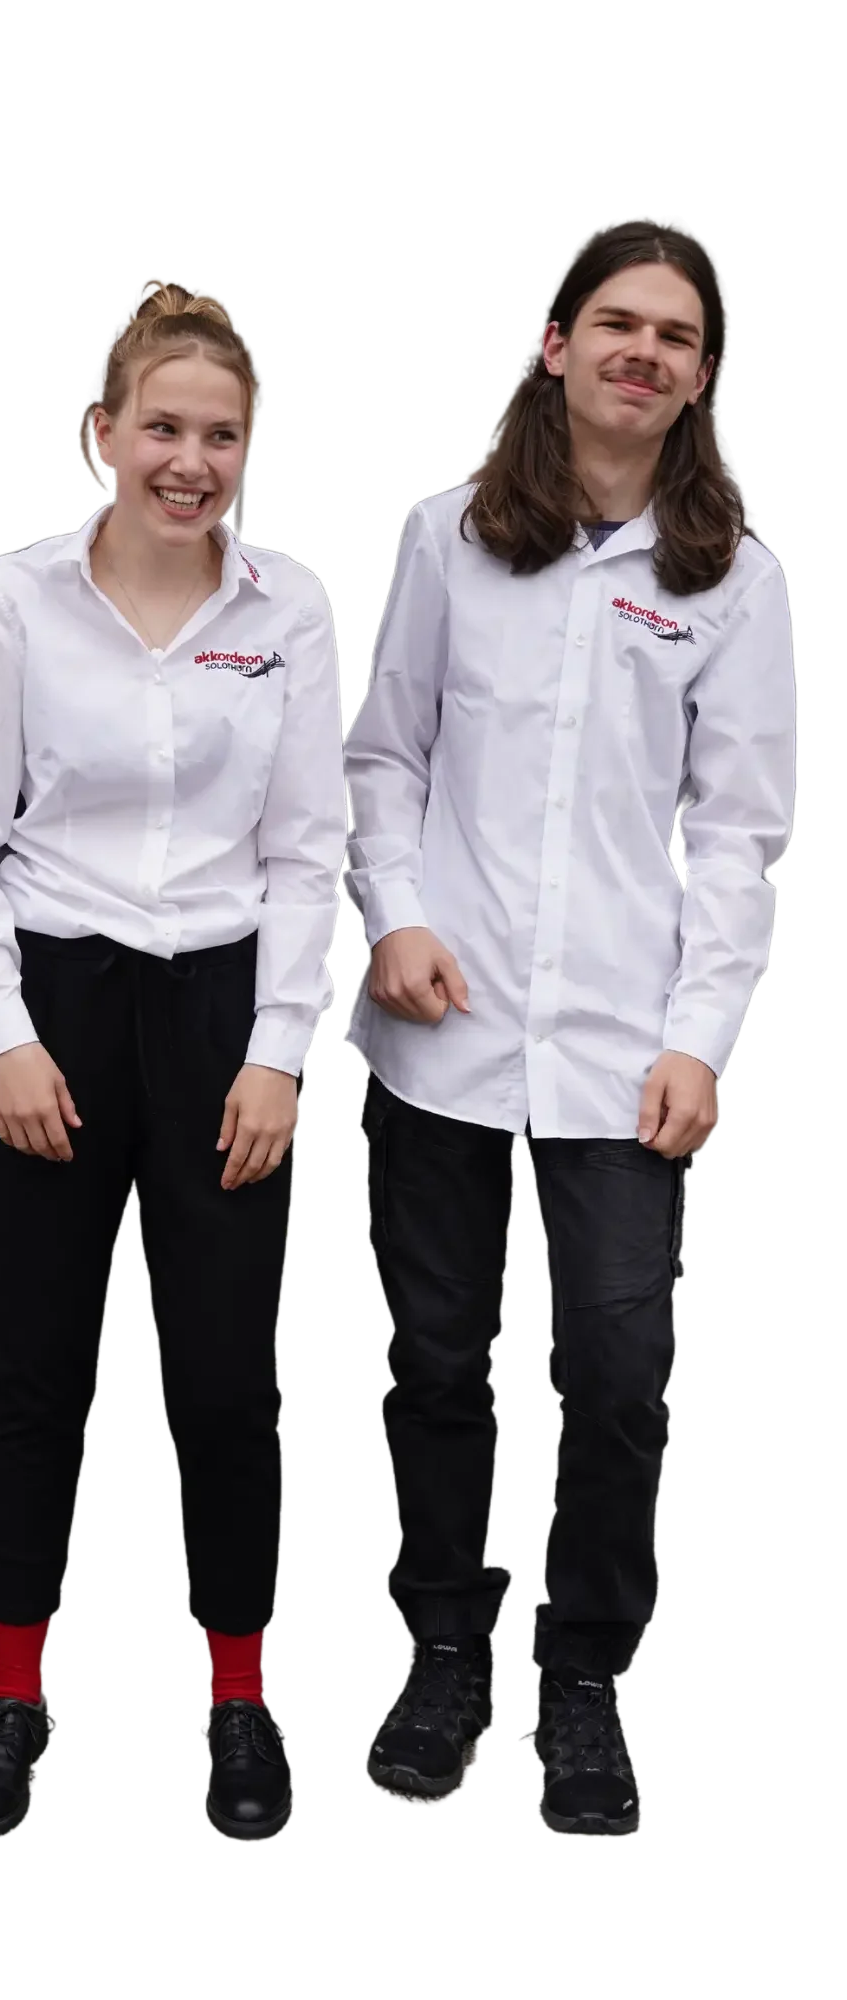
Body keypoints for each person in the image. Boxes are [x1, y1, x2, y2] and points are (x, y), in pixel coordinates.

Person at [343, 213, 798, 1836]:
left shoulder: (729, 583)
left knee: (616, 1377)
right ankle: (442, 1651)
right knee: (436, 1361)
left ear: (701, 377)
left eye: (673, 337)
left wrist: (698, 1039)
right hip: (441, 1031)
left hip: (621, 1048)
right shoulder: (444, 540)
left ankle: (587, 1676)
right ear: (554, 344)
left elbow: (733, 835)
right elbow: (383, 757)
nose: (639, 354)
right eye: (616, 323)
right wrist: (392, 915)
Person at [0, 280, 347, 1842]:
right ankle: (10, 1695)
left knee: (225, 1376)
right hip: (56, 1000)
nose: (190, 462)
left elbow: (305, 851)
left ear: (247, 450)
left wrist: (278, 1052)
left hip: (222, 1012)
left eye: (220, 437)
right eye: (162, 428)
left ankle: (238, 1701)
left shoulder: (287, 611)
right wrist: (6, 1036)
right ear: (102, 432)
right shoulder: (16, 601)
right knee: (36, 1366)